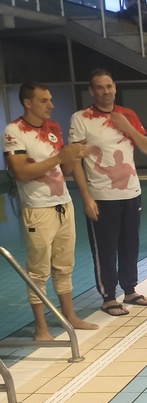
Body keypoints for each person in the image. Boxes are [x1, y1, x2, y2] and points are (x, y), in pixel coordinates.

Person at [2, 83, 99, 340]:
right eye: (44, 101)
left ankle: (70, 315)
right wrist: (59, 158)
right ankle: (41, 328)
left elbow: (65, 169)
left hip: (63, 204)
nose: (51, 105)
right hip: (37, 208)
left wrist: (75, 155)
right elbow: (20, 172)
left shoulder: (53, 129)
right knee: (38, 270)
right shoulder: (14, 131)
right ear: (28, 103)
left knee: (65, 265)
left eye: (50, 100)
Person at [69, 69, 147, 316]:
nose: (105, 91)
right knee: (105, 247)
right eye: (100, 87)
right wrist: (85, 196)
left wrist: (128, 127)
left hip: (131, 193)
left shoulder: (127, 115)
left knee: (131, 244)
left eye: (109, 86)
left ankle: (130, 289)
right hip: (101, 196)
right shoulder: (81, 118)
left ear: (115, 87)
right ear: (91, 90)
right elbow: (75, 161)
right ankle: (108, 296)